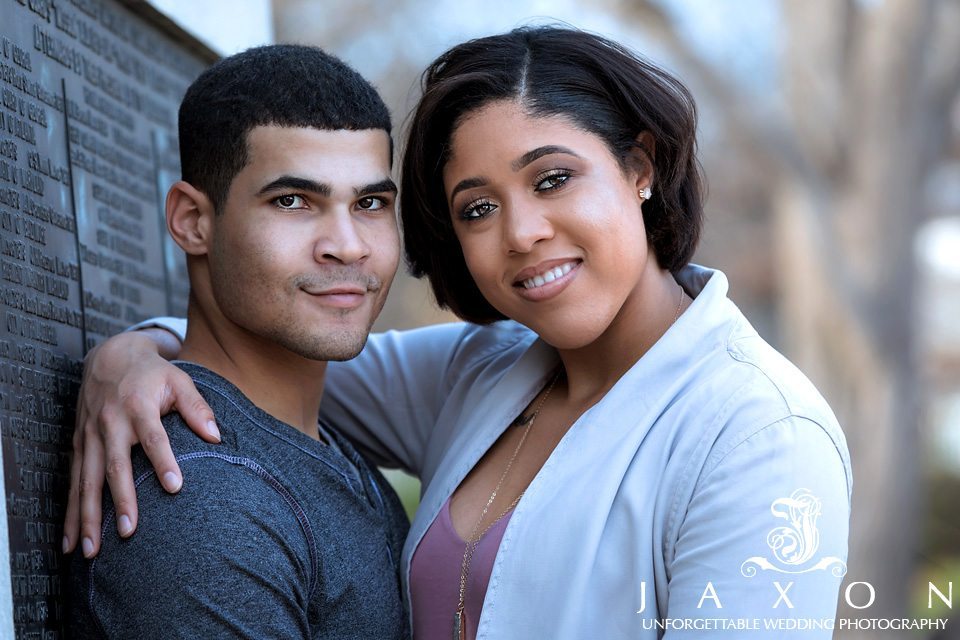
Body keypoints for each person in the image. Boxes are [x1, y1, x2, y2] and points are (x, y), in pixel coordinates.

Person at [64, 27, 851, 639]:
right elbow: (265, 348)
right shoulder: (479, 371)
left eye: (552, 179)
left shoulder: (757, 435)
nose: (523, 232)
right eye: (478, 207)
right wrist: (127, 355)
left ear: (640, 168)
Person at [67, 44, 410, 639]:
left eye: (370, 203)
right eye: (293, 201)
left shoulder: (329, 453)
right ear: (193, 221)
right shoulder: (202, 499)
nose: (349, 245)